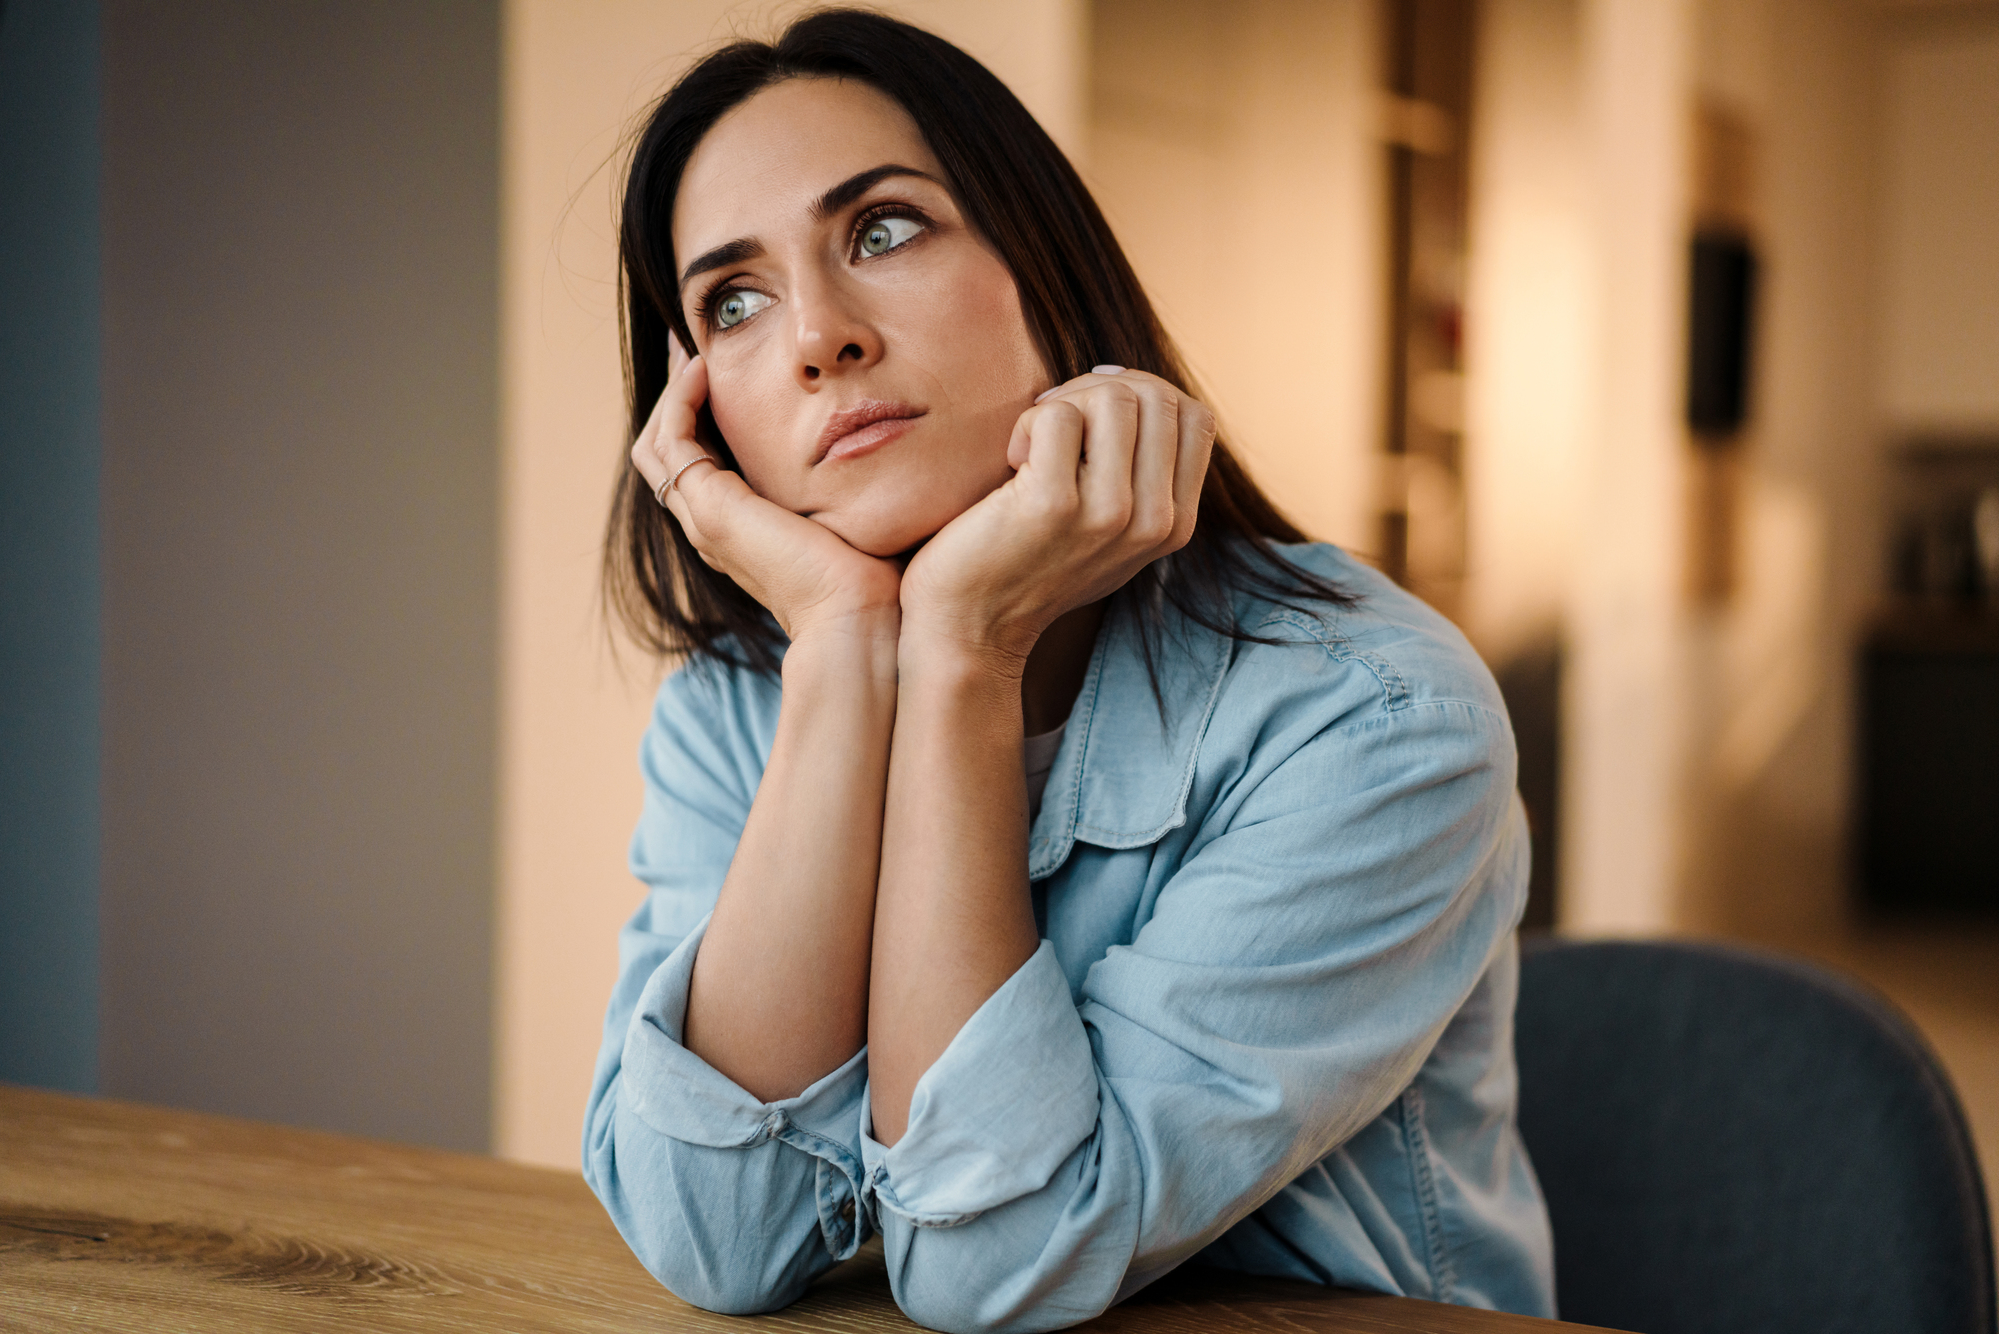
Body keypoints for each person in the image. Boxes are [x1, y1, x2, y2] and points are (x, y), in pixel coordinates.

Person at [584, 10, 1554, 1333]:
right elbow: (715, 1233)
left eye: (882, 228)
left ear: (1044, 260)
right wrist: (851, 652)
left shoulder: (1379, 718)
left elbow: (996, 1263)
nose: (816, 335)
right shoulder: (743, 703)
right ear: (700, 412)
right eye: (733, 301)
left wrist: (967, 651)